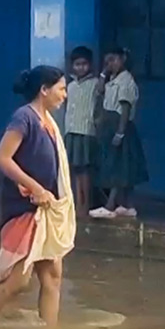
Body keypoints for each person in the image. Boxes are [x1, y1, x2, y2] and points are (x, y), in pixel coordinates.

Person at [0, 66, 76, 327]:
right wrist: (36, 188)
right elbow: (2, 158)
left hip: (46, 210)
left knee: (52, 277)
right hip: (25, 209)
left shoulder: (48, 123)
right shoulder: (24, 118)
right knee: (17, 282)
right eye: (61, 89)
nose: (65, 95)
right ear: (44, 90)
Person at [92, 47, 149, 219]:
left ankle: (110, 206)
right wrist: (104, 73)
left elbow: (125, 108)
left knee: (118, 167)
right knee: (122, 166)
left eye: (114, 60)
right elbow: (100, 91)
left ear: (123, 59)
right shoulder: (112, 79)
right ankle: (127, 205)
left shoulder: (126, 82)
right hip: (109, 126)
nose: (111, 64)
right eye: (107, 61)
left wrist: (120, 132)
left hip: (120, 126)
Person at [64, 46, 101, 213]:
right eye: (77, 64)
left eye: (84, 64)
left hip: (86, 131)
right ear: (72, 66)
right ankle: (78, 202)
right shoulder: (70, 86)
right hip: (71, 130)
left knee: (85, 169)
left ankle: (86, 203)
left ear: (90, 65)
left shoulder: (95, 85)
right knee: (75, 169)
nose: (81, 68)